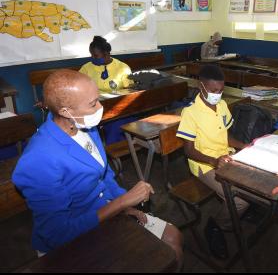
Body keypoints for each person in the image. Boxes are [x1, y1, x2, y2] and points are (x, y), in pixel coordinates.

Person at [12, 70, 183, 265]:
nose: (100, 107)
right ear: (66, 111)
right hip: (69, 241)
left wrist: (125, 207)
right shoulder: (39, 160)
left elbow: (105, 176)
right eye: (93, 104)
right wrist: (121, 203)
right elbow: (57, 234)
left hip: (106, 211)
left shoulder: (85, 127)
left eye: (98, 99)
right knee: (161, 257)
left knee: (173, 237)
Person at [176, 65, 248, 259]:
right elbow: (189, 151)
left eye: (221, 90)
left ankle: (228, 219)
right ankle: (216, 226)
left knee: (253, 186)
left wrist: (244, 145)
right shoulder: (190, 113)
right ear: (201, 86)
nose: (218, 94)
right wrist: (214, 161)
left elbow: (226, 136)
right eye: (214, 91)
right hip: (204, 164)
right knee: (240, 201)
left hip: (225, 156)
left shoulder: (222, 105)